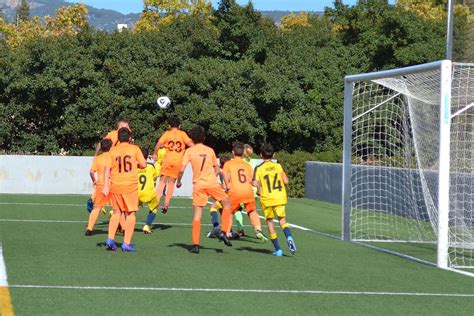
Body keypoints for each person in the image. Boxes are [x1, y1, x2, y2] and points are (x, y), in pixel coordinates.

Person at [176, 125, 232, 254]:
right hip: (212, 183)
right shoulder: (210, 150)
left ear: (191, 138)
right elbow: (217, 168)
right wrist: (214, 175)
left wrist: (179, 181)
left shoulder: (189, 151)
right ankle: (224, 232)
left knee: (197, 215)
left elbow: (181, 169)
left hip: (199, 185)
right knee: (227, 203)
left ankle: (196, 245)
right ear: (204, 137)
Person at [102, 127, 146, 252]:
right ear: (130, 138)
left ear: (118, 138)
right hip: (130, 186)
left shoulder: (113, 150)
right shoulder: (135, 148)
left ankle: (110, 239)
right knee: (131, 213)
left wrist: (105, 185)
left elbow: (107, 169)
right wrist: (135, 164)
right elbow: (143, 164)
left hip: (115, 184)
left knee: (117, 212)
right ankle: (126, 243)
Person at [253, 144, 296, 257]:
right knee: (282, 220)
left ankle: (278, 249)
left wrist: (257, 187)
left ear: (260, 155)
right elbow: (286, 181)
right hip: (280, 197)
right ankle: (289, 237)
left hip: (267, 199)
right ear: (274, 154)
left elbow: (255, 183)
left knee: (270, 222)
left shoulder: (259, 168)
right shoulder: (278, 166)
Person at [222, 142, 268, 242]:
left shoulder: (228, 163)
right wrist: (259, 187)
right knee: (252, 211)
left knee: (229, 212)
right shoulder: (247, 165)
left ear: (232, 152)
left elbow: (224, 174)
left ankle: (226, 233)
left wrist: (227, 184)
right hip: (247, 191)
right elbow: (253, 181)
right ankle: (258, 230)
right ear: (243, 153)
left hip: (235, 192)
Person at [153, 116, 193, 214]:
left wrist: (155, 153)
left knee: (162, 181)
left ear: (169, 126)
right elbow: (191, 144)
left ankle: (156, 202)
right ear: (179, 125)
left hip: (167, 160)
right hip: (178, 161)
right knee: (171, 182)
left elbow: (159, 143)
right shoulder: (183, 134)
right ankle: (166, 203)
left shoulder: (167, 133)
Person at [85, 138, 113, 236]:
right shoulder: (113, 157)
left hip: (101, 184)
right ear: (111, 147)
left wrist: (94, 181)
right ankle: (122, 227)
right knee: (117, 208)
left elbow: (91, 171)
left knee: (96, 207)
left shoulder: (98, 158)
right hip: (113, 184)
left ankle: (89, 228)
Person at [138, 147, 161, 234]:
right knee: (154, 208)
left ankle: (120, 222)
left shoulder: (135, 166)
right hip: (148, 193)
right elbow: (155, 176)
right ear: (147, 156)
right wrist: (157, 163)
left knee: (130, 210)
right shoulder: (150, 166)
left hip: (137, 192)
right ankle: (147, 225)